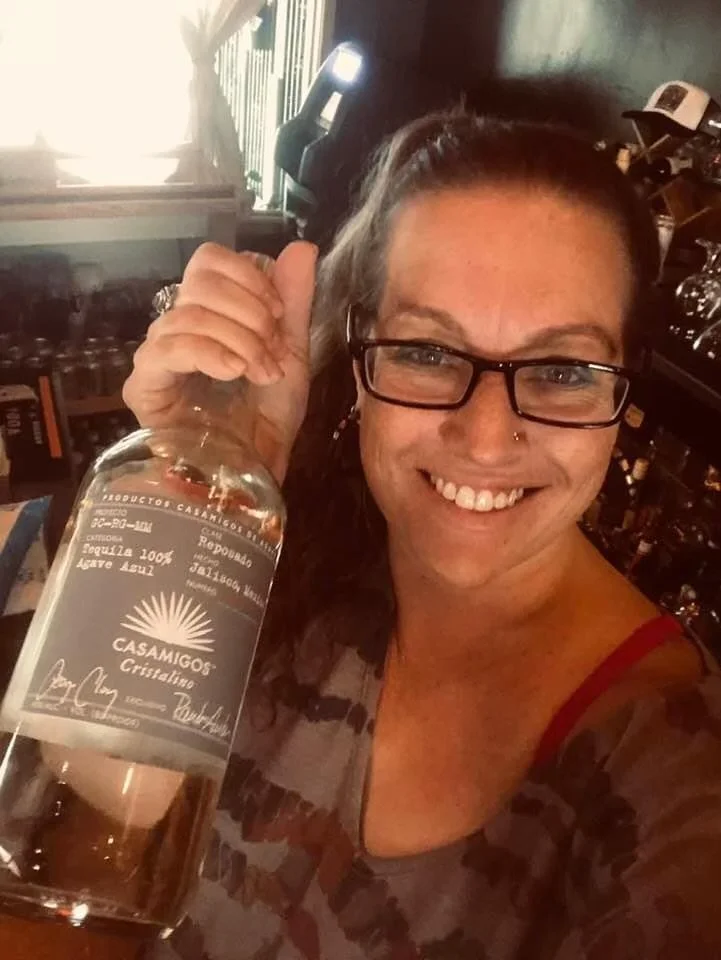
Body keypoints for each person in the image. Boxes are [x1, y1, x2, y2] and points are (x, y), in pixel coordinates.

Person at [123, 109, 721, 960]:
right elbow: (112, 806)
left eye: (561, 371)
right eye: (429, 353)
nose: (485, 440)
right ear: (360, 357)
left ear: (624, 394)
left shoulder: (672, 773)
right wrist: (206, 467)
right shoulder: (303, 564)